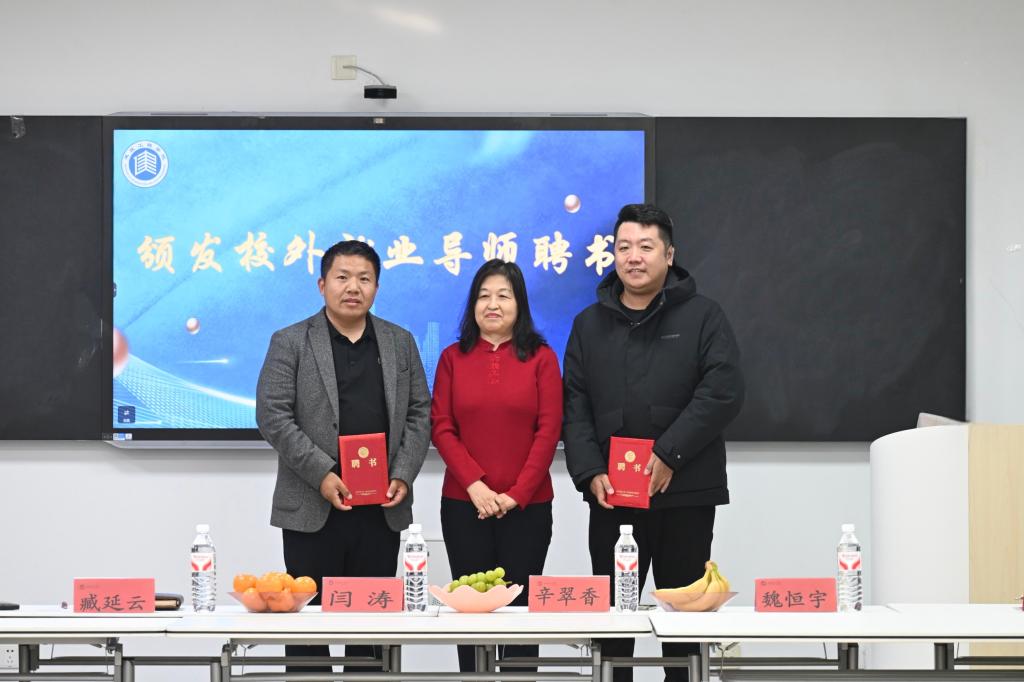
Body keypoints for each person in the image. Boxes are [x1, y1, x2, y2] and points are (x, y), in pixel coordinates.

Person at [562, 204, 745, 682]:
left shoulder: (704, 316)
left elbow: (723, 391)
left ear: (669, 254)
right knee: (612, 625)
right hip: (613, 498)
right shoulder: (588, 324)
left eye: (646, 246)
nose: (633, 257)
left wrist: (668, 454)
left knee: (685, 625)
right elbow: (575, 405)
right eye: (624, 247)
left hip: (686, 492)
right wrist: (589, 472)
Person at [256, 239, 430, 672]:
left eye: (365, 279)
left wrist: (403, 474)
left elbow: (419, 413)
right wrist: (322, 473)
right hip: (312, 509)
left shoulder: (400, 342)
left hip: (380, 509)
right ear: (322, 285)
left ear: (376, 287)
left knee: (371, 632)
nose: (354, 287)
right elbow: (273, 415)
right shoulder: (290, 341)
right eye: (343, 277)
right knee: (307, 637)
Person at [431, 259, 563, 673]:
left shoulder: (542, 358)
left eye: (503, 296)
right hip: (464, 505)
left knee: (520, 617)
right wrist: (475, 485)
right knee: (471, 615)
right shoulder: (452, 358)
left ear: (519, 304)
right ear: (472, 305)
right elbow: (441, 426)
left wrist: (516, 494)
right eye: (483, 296)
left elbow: (549, 430)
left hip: (528, 508)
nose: (492, 304)